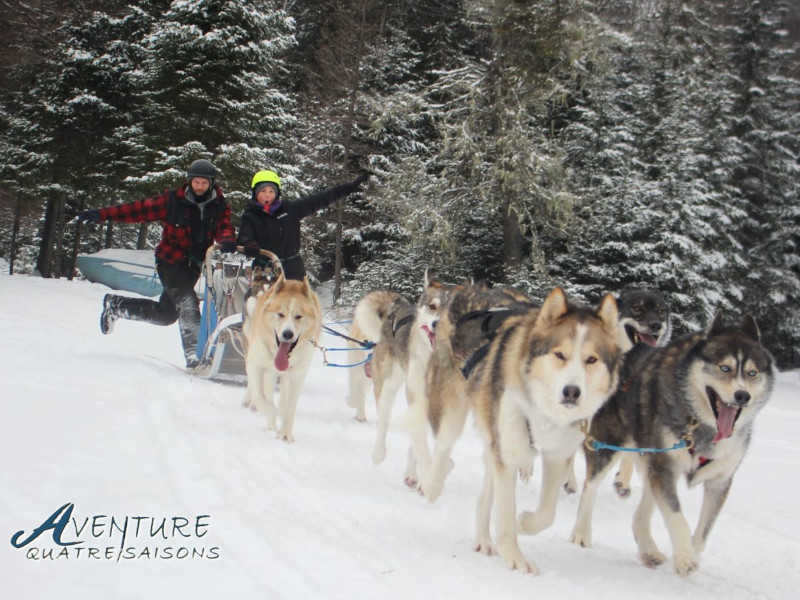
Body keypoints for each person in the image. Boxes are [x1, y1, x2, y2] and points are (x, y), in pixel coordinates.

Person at [76, 159, 236, 368]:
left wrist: (226, 240)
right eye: (196, 182)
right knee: (188, 302)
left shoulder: (219, 205)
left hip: (192, 267)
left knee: (166, 314)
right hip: (170, 262)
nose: (199, 187)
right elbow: (136, 210)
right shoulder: (172, 201)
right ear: (189, 182)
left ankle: (116, 305)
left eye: (204, 183)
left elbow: (224, 228)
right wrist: (102, 215)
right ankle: (196, 357)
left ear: (211, 184)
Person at [237, 169, 370, 280]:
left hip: (293, 269)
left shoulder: (290, 209)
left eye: (271, 191)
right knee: (262, 308)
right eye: (263, 191)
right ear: (255, 193)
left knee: (297, 309)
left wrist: (349, 187)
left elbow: (321, 198)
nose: (267, 195)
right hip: (265, 269)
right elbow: (244, 237)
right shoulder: (251, 215)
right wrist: (249, 245)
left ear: (277, 193)